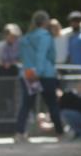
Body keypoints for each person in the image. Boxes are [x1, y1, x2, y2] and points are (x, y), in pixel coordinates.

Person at [14, 10, 63, 142]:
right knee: (52, 104)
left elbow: (23, 58)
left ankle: (19, 133)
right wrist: (39, 72)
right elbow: (45, 56)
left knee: (26, 105)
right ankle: (59, 133)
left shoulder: (26, 38)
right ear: (46, 22)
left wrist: (31, 72)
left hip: (28, 75)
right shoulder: (46, 36)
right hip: (45, 75)